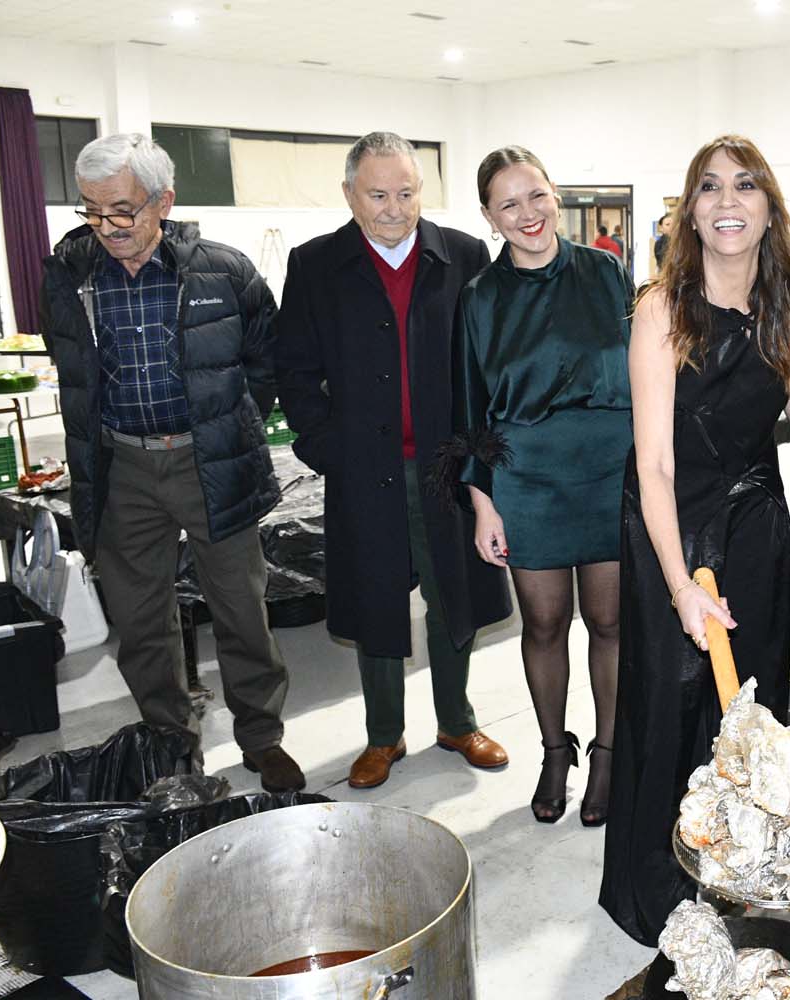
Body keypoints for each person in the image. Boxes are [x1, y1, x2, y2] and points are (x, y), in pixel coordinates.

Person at [599, 135, 790, 946]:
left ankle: (735, 869)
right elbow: (654, 464)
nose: (727, 202)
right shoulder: (662, 307)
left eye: (744, 186)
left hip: (756, 524)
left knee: (749, 703)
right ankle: (659, 888)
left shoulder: (786, 288)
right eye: (709, 188)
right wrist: (680, 586)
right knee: (674, 700)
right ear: (691, 210)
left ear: (768, 206)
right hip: (672, 527)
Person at [40, 133, 302, 791]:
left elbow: (267, 357)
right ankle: (172, 744)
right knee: (139, 619)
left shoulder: (224, 270)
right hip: (120, 466)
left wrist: (226, 421)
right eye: (93, 211)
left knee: (240, 606)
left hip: (210, 460)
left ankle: (261, 737)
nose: (108, 226)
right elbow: (69, 364)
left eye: (123, 209)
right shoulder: (69, 277)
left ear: (164, 201)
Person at [274, 131, 514, 790]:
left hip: (447, 469)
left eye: (406, 192)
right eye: (377, 194)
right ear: (350, 193)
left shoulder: (462, 255)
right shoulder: (317, 266)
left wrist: (482, 455)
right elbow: (293, 370)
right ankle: (383, 736)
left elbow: (490, 361)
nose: (393, 207)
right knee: (375, 600)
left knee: (453, 598)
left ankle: (457, 721)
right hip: (363, 471)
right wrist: (326, 447)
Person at [453, 145, 634, 826]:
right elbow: (467, 407)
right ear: (488, 217)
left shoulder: (607, 272)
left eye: (536, 196)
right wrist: (482, 501)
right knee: (545, 622)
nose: (527, 214)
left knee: (612, 623)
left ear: (556, 196)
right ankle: (557, 751)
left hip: (609, 470)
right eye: (509, 204)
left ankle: (610, 755)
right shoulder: (480, 298)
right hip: (526, 478)